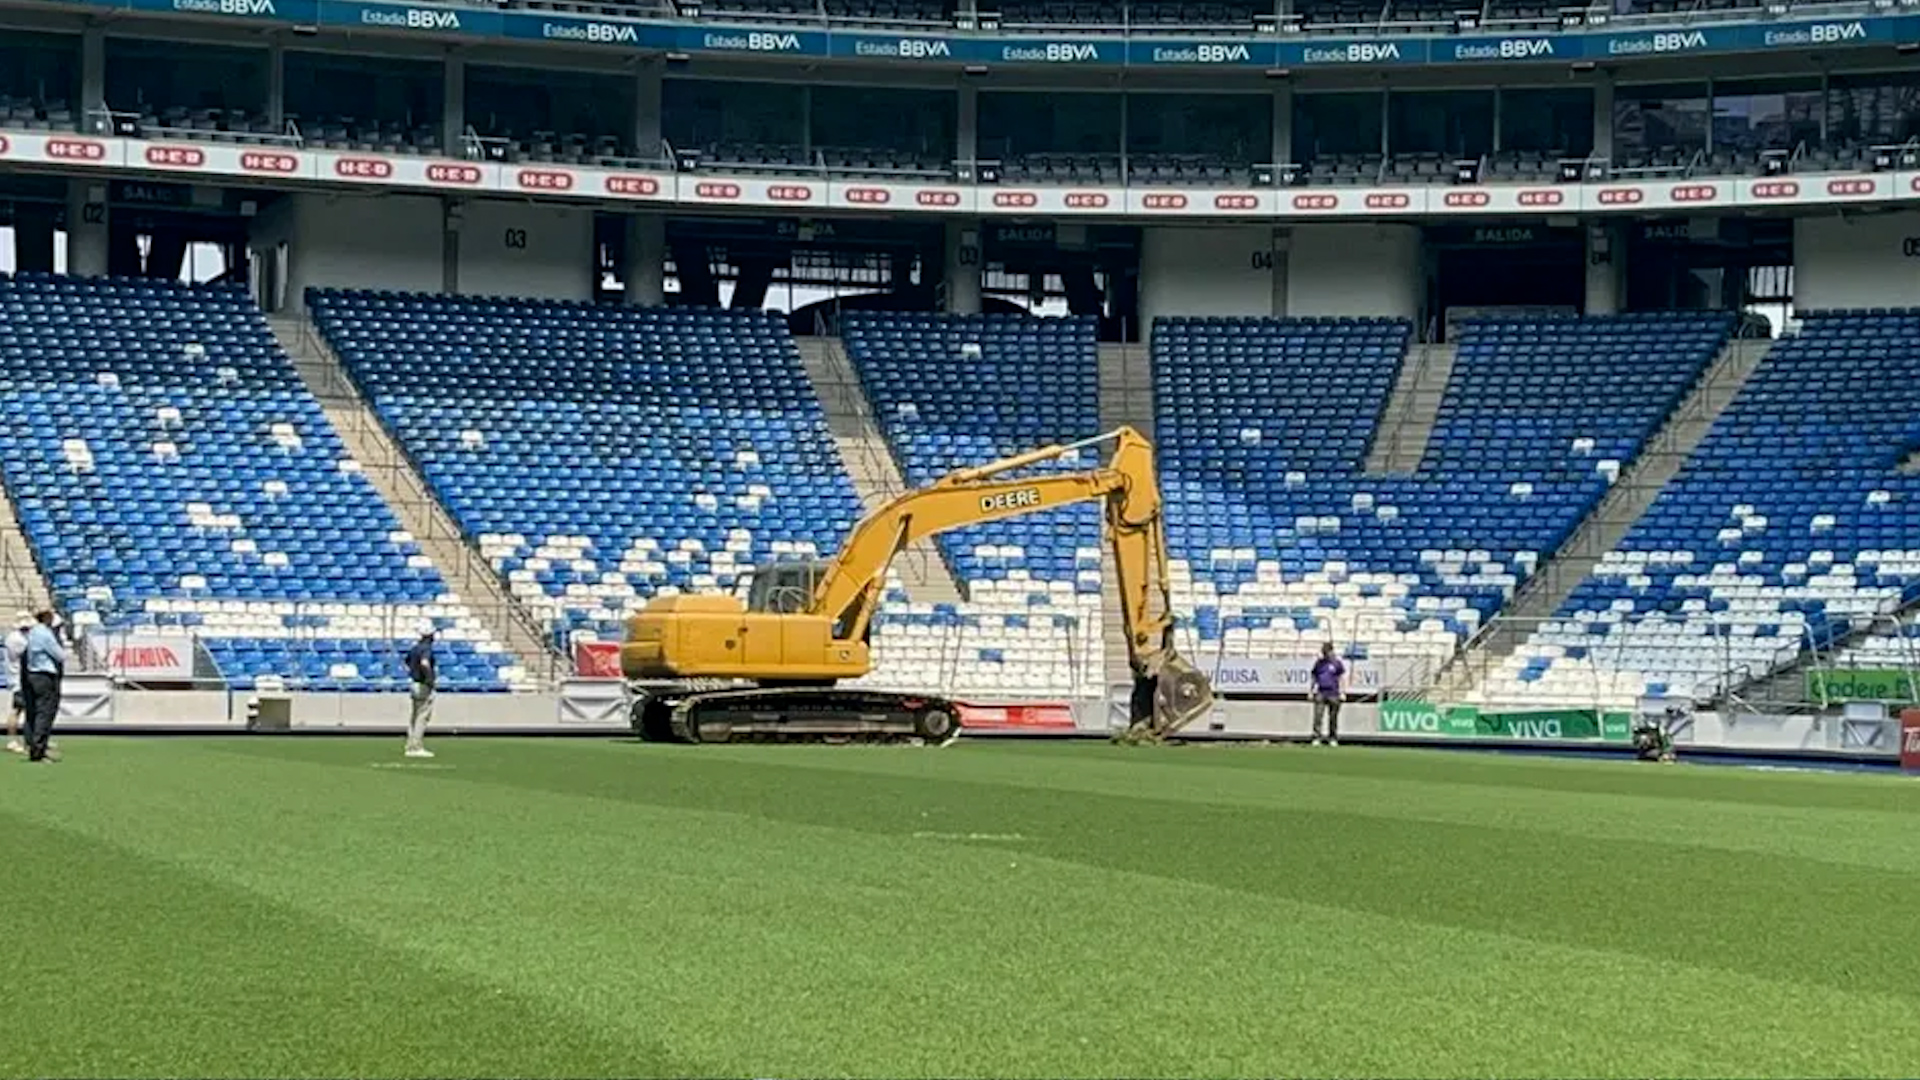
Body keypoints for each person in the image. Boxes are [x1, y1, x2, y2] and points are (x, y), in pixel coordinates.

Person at [22, 608, 65, 763]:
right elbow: (60, 655)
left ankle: (35, 746)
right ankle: (39, 749)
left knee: (35, 712)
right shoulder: (45, 634)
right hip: (45, 675)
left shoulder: (33, 632)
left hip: (33, 675)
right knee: (45, 713)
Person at [404, 625, 437, 759]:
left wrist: (413, 672)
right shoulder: (426, 649)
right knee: (422, 716)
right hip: (423, 684)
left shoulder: (414, 648)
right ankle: (416, 747)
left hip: (414, 683)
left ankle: (410, 744)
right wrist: (430, 679)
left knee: (414, 715)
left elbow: (406, 661)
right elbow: (425, 663)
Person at [1309, 641, 1347, 746]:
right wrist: (1311, 690)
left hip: (1334, 693)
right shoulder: (1319, 663)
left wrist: (1343, 692)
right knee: (1318, 716)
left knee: (1333, 717)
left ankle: (1333, 737)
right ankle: (1316, 737)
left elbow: (1341, 678)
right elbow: (1314, 676)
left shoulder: (1337, 663)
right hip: (1321, 691)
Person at [4, 612, 27, 754]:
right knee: (17, 710)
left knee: (19, 710)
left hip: (17, 677)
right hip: (19, 678)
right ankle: (13, 740)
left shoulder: (15, 637)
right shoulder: (17, 639)